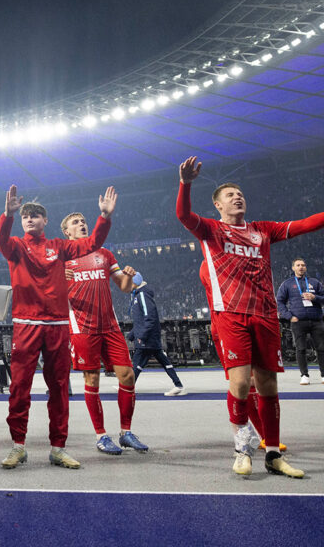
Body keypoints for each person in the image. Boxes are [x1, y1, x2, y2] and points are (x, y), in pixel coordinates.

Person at [176, 155, 322, 478]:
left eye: (240, 193)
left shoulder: (262, 231)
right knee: (241, 384)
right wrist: (186, 184)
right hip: (231, 315)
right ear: (217, 205)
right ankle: (242, 449)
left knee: (268, 385)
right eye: (230, 195)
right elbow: (183, 215)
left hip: (265, 315)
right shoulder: (212, 231)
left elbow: (301, 226)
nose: (237, 197)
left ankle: (272, 454)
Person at [0, 185, 117, 471]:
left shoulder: (60, 247)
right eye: (26, 215)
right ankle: (18, 446)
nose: (29, 219)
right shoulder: (15, 245)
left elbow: (93, 243)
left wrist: (104, 217)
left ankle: (58, 448)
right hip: (26, 324)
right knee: (19, 387)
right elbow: (0, 239)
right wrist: (7, 215)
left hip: (57, 325)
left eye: (35, 215)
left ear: (45, 221)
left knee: (59, 387)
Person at [60, 211, 148, 456]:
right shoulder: (62, 258)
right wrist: (57, 279)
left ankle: (126, 432)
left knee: (128, 376)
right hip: (82, 328)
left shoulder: (104, 254)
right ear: (66, 232)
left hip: (110, 326)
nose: (82, 225)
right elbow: (50, 296)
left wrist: (129, 277)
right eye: (75, 223)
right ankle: (101, 436)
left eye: (84, 221)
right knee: (92, 381)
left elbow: (123, 287)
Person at [127, 272, 186, 396]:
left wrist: (141, 335)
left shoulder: (142, 295)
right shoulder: (139, 295)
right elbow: (141, 320)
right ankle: (178, 384)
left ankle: (127, 387)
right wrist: (133, 334)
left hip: (148, 337)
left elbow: (150, 317)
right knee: (160, 360)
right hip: (150, 335)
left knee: (138, 361)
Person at [276, 258, 324, 385]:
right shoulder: (287, 284)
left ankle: (323, 375)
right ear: (293, 268)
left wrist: (315, 297)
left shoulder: (314, 282)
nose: (301, 267)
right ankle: (304, 375)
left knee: (321, 348)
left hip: (316, 320)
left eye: (303, 265)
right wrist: (289, 316)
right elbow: (280, 301)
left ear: (306, 268)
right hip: (298, 321)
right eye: (298, 265)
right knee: (300, 348)